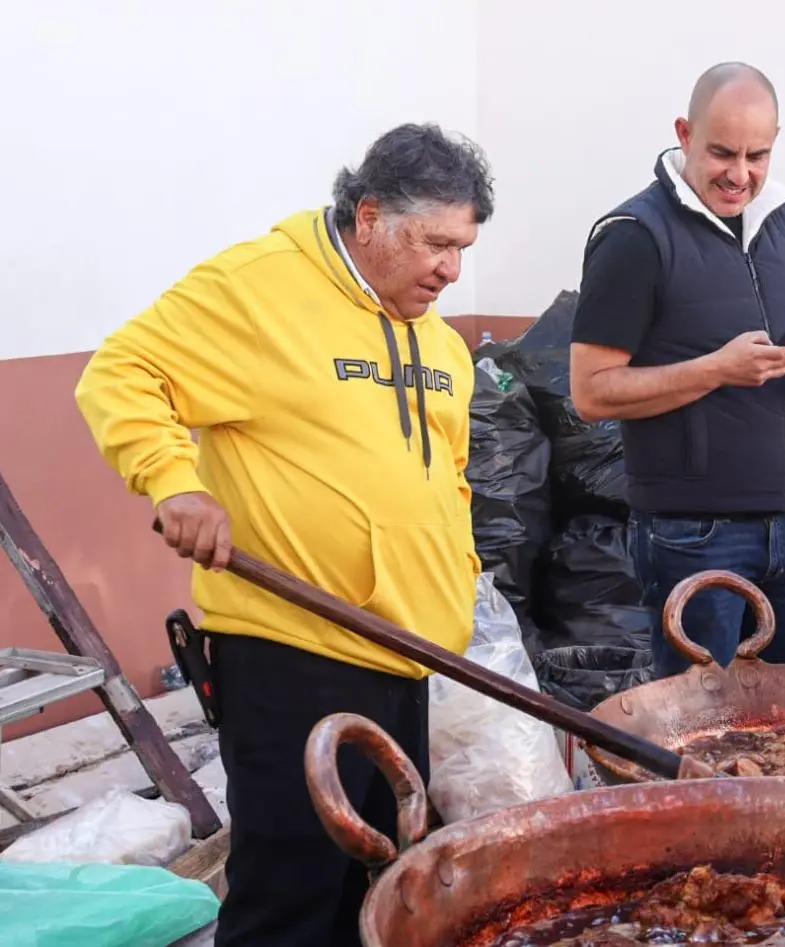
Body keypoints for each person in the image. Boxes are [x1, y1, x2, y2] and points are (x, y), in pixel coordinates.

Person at [74, 123, 493, 947]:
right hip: (294, 659)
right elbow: (122, 370)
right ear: (369, 216)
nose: (451, 268)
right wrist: (176, 481)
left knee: (376, 897)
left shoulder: (442, 343)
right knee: (290, 900)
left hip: (408, 659)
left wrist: (460, 582)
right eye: (435, 243)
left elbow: (449, 478)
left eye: (463, 247)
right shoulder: (260, 289)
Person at [569, 62, 785, 680]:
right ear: (685, 134)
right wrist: (717, 369)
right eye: (723, 152)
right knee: (701, 728)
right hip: (690, 535)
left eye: (759, 155)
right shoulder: (633, 236)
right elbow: (590, 393)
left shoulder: (782, 221)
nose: (741, 174)